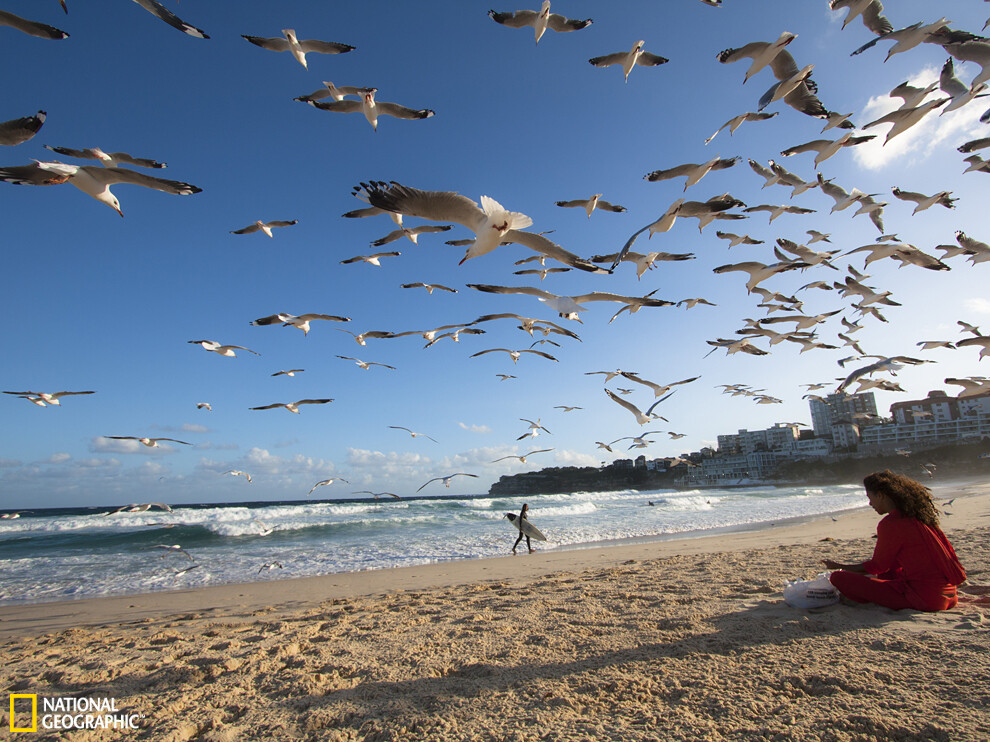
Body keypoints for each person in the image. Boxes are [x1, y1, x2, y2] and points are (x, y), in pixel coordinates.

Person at [822, 470, 966, 612]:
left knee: (838, 578)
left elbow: (878, 566)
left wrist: (839, 566)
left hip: (927, 599)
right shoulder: (917, 517)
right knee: (888, 574)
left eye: (870, 497)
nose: (870, 503)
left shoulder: (891, 523)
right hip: (949, 595)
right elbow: (890, 566)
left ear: (881, 495)